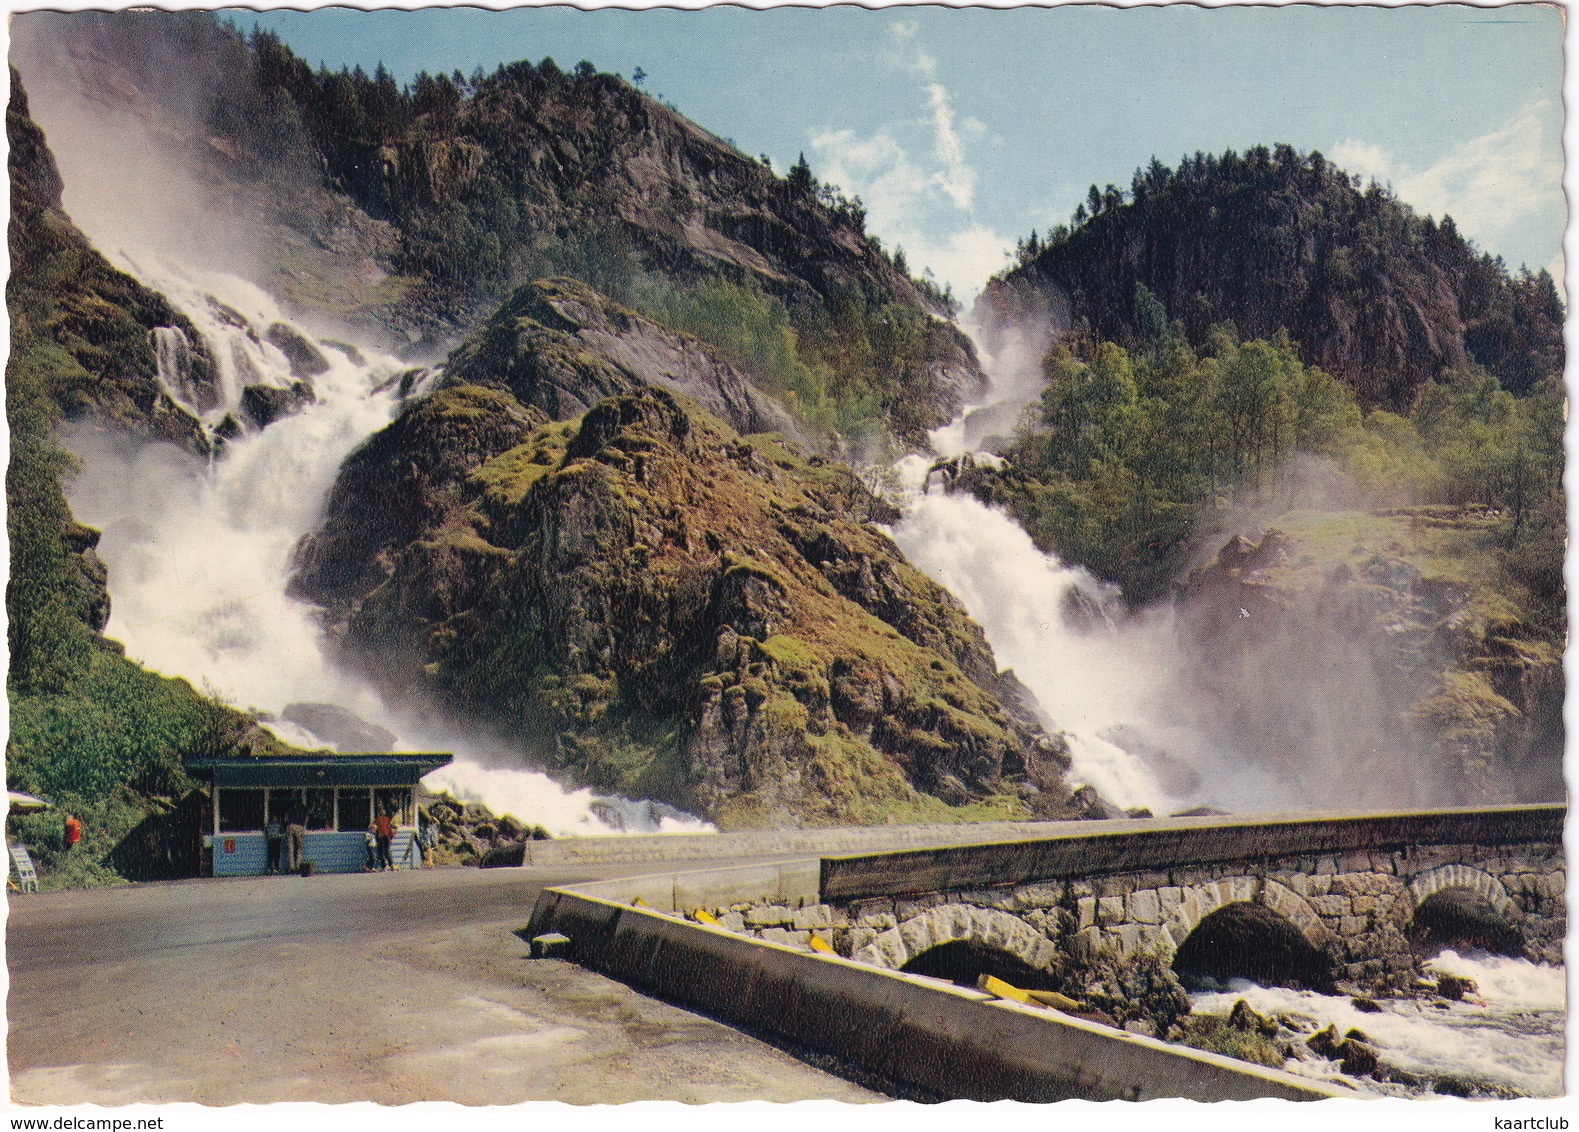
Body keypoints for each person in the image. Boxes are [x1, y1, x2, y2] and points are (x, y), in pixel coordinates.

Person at [284, 807, 306, 875]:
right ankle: (298, 866)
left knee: (290, 847)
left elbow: (285, 820)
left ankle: (291, 868)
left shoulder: (289, 810)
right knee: (299, 848)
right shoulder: (303, 809)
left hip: (290, 826)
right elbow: (306, 820)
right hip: (299, 826)